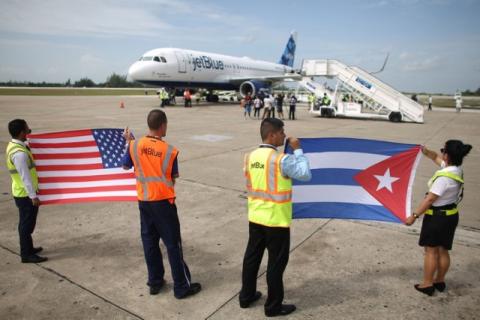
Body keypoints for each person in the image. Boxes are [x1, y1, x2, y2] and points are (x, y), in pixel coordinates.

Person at [122, 110, 201, 298]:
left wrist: (129, 142)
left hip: (144, 202)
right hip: (164, 204)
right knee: (173, 245)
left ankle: (155, 281)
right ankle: (181, 287)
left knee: (149, 242)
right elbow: (173, 178)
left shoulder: (134, 145)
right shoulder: (169, 151)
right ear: (163, 125)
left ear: (149, 125)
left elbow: (126, 165)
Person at [239, 118, 311, 317]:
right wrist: (298, 150)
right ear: (271, 135)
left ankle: (246, 296)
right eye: (281, 132)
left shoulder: (249, 157)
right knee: (276, 264)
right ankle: (273, 307)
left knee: (251, 258)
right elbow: (305, 174)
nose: (284, 135)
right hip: (276, 220)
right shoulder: (281, 159)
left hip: (255, 217)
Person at [405, 140, 472, 296]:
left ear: (447, 155)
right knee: (443, 250)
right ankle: (439, 281)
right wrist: (425, 151)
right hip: (450, 216)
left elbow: (429, 200)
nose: (441, 153)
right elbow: (435, 157)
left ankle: (427, 284)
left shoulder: (443, 179)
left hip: (437, 219)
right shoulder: (455, 169)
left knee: (431, 251)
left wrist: (414, 216)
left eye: (443, 150)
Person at [6, 119, 47, 263]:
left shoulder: (15, 145)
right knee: (26, 225)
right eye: (27, 129)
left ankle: (29, 247)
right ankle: (26, 254)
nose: (29, 131)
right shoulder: (19, 154)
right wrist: (33, 196)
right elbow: (25, 177)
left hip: (21, 192)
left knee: (27, 223)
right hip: (25, 195)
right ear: (21, 132)